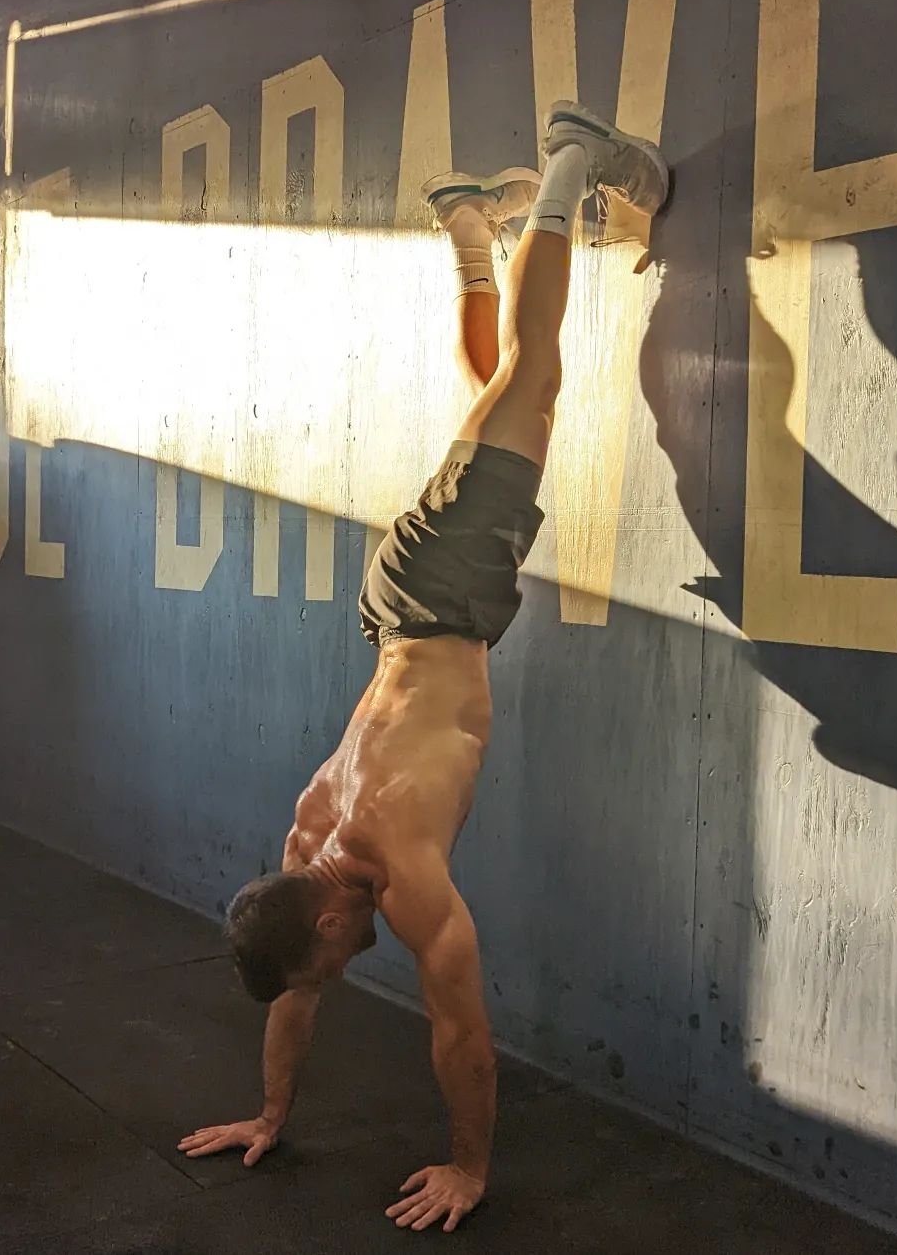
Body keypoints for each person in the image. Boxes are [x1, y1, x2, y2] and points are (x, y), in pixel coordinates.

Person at [179, 101, 670, 1233]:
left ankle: (570, 158)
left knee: (532, 378)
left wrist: (468, 1169)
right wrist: (268, 1111)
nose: (340, 971)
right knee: (498, 394)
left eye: (329, 963)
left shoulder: (396, 860)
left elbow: (463, 1035)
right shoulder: (305, 849)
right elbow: (293, 997)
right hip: (401, 607)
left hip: (441, 591)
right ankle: (465, 229)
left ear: (326, 922)